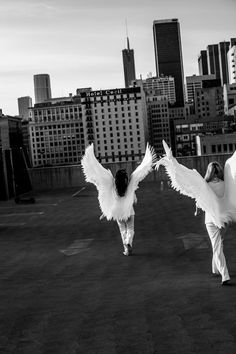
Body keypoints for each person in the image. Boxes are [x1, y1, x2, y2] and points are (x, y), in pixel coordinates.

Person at [81, 143, 156, 256]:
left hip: (117, 212)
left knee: (122, 230)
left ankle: (126, 249)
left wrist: (105, 213)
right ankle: (128, 242)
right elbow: (141, 171)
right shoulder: (130, 184)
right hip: (129, 211)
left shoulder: (112, 186)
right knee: (130, 228)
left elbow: (109, 198)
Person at [195, 162, 230, 285]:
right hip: (224, 219)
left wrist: (197, 209)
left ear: (209, 172)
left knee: (217, 245)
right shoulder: (226, 184)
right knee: (219, 244)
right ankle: (215, 268)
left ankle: (224, 275)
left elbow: (199, 202)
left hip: (210, 220)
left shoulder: (206, 185)